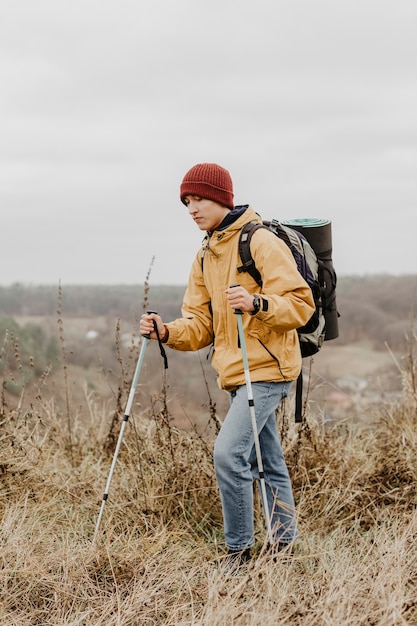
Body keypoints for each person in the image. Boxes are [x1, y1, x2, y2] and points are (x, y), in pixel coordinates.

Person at [140, 163, 315, 563]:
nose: (191, 208)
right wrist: (166, 332)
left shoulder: (261, 242)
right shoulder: (205, 255)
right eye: (186, 201)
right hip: (237, 374)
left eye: (198, 198)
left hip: (268, 370)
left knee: (228, 454)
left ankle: (239, 552)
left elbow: (300, 305)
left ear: (221, 197)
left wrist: (257, 303)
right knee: (268, 461)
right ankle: (284, 547)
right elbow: (200, 324)